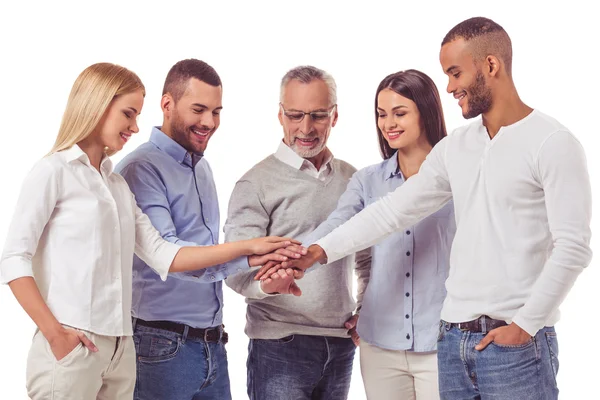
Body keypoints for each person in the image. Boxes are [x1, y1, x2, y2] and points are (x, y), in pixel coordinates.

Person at [258, 17, 592, 400]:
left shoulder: (552, 142)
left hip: (515, 345)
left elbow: (574, 247)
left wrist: (525, 326)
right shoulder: (457, 148)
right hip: (452, 341)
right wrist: (315, 252)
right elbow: (391, 211)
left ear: (490, 65)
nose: (449, 87)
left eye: (455, 73)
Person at [0, 62, 297, 400]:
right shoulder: (54, 171)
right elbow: (13, 257)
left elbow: (163, 254)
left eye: (137, 115)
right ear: (97, 104)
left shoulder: (115, 185)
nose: (135, 126)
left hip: (120, 349)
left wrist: (251, 250)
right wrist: (54, 334)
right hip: (74, 345)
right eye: (128, 114)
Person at [278, 69, 455, 399]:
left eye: (399, 113)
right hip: (379, 344)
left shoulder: (457, 176)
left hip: (442, 341)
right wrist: (297, 257)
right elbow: (339, 226)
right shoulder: (367, 181)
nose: (388, 124)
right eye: (381, 114)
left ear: (427, 112)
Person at [224, 65, 369, 400]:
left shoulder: (354, 179)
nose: (306, 127)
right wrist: (266, 285)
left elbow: (368, 259)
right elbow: (233, 269)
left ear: (335, 116)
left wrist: (365, 309)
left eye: (318, 115)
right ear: (280, 115)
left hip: (340, 342)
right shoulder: (255, 183)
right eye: (295, 115)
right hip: (280, 343)